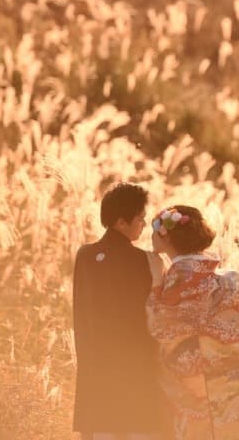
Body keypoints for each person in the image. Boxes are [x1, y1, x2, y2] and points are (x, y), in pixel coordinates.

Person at [146, 205, 239, 440]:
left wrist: (156, 281)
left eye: (154, 230)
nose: (150, 236)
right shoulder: (232, 279)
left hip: (204, 389)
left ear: (166, 238)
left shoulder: (183, 276)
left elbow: (162, 325)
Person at [73, 182, 170, 440]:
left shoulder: (85, 256)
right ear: (121, 221)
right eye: (140, 217)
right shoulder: (147, 261)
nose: (144, 222)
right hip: (137, 372)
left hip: (96, 374)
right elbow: (158, 315)